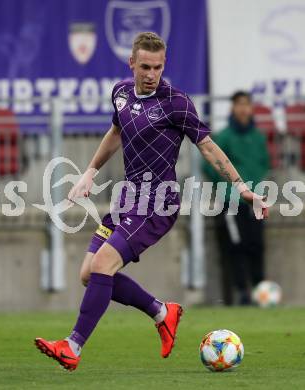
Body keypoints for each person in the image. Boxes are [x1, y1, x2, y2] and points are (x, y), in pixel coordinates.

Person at [34, 33, 268, 371]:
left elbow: (208, 147)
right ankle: (162, 312)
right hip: (128, 197)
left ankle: (72, 346)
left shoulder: (176, 103)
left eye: (157, 67)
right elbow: (115, 132)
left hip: (157, 203)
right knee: (89, 273)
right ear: (132, 63)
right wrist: (90, 171)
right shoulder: (121, 94)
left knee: (102, 267)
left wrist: (241, 187)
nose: (151, 74)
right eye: (144, 66)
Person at [204, 91, 270, 305]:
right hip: (232, 202)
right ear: (232, 108)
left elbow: (263, 164)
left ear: (251, 108)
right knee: (236, 246)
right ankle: (242, 293)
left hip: (254, 202)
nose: (243, 109)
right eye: (239, 104)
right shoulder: (224, 137)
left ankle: (261, 291)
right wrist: (227, 187)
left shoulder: (258, 138)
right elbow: (210, 165)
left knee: (256, 245)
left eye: (247, 104)